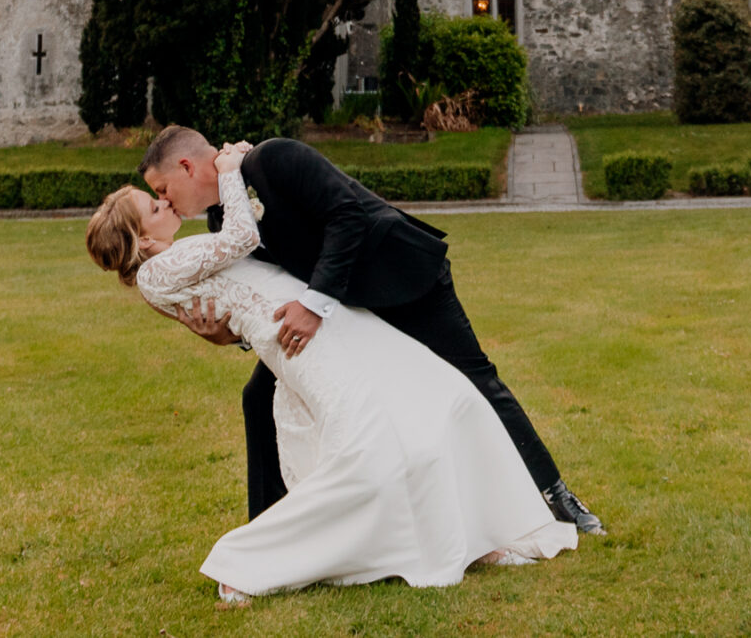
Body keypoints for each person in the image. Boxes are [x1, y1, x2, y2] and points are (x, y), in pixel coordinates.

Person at [88, 143, 576, 602]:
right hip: (304, 342)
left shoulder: (229, 204)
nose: (163, 203)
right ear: (142, 238)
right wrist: (233, 173)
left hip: (338, 313)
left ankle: (484, 528)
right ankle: (251, 559)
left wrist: (245, 319)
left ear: (187, 167)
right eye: (153, 206)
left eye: (160, 194)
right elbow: (243, 242)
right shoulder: (159, 271)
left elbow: (255, 275)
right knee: (367, 449)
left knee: (447, 391)